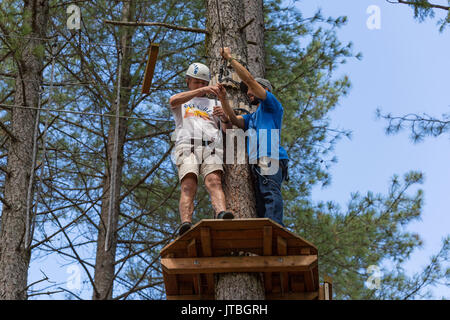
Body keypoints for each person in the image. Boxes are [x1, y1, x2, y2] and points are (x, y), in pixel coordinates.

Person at [219, 48, 289, 226]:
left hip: (270, 157)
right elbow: (234, 119)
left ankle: (275, 228)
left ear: (263, 90)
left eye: (250, 90)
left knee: (271, 194)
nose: (248, 93)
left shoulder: (272, 105)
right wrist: (223, 100)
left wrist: (230, 59)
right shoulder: (252, 117)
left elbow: (249, 79)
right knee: (259, 202)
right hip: (257, 163)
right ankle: (266, 229)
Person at [169, 62, 234, 236]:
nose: (200, 86)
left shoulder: (214, 104)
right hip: (187, 144)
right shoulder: (182, 101)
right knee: (188, 183)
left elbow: (226, 130)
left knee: (214, 180)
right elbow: (172, 101)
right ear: (188, 81)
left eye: (203, 83)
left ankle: (222, 213)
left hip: (211, 145)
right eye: (196, 82)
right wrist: (199, 92)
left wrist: (225, 118)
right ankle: (186, 223)